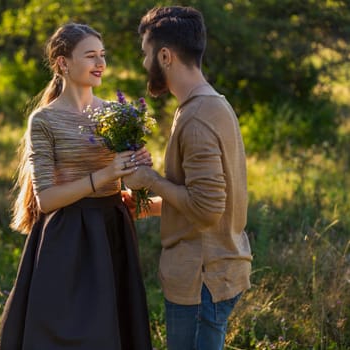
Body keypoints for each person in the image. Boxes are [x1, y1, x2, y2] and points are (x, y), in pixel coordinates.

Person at [0, 23, 153, 350]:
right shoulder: (44, 120)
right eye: (90, 56)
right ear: (63, 63)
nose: (101, 63)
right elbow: (48, 200)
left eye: (102, 55)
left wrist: (140, 166)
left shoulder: (120, 113)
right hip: (66, 236)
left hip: (113, 231)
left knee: (114, 334)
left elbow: (134, 185)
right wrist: (106, 174)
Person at [123, 6, 252, 350]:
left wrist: (149, 178)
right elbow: (198, 197)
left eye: (146, 54)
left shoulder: (196, 117)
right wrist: (147, 207)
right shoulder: (210, 104)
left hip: (202, 279)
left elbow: (207, 208)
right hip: (213, 271)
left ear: (164, 56)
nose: (143, 63)